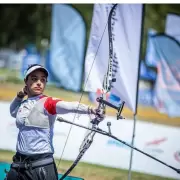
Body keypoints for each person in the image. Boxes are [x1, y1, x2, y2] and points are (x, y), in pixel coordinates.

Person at [6, 64, 103, 180]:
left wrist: (90, 109)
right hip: (18, 165)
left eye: (43, 80)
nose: (39, 83)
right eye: (34, 79)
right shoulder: (23, 104)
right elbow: (12, 112)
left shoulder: (48, 102)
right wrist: (19, 95)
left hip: (41, 167)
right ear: (25, 81)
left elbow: (68, 105)